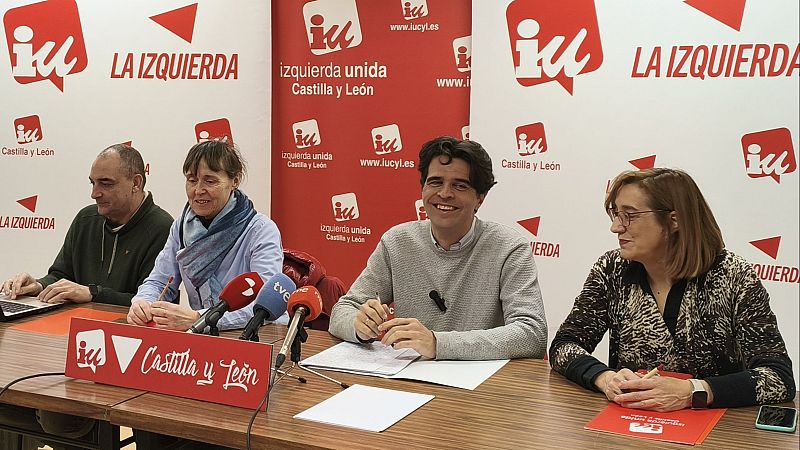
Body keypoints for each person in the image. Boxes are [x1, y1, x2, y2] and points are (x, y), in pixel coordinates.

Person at [549, 168, 796, 411]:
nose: (616, 227)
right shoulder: (612, 269)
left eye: (630, 215)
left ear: (674, 220)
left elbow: (778, 377)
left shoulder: (733, 275)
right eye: (615, 214)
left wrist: (694, 391)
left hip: (717, 431)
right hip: (632, 424)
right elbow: (563, 346)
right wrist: (604, 378)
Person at [0, 144, 173, 449]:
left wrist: (93, 293)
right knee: (10, 395)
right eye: (92, 183)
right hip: (65, 346)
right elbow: (60, 273)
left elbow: (155, 306)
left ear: (136, 183)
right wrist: (37, 285)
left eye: (105, 184)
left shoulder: (163, 228)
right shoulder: (85, 219)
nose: (94, 193)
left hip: (122, 354)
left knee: (56, 417)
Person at [328, 136, 547, 360]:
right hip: (409, 379)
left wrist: (437, 343)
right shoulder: (397, 242)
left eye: (460, 185)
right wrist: (359, 325)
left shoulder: (509, 248)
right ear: (423, 189)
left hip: (482, 388)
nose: (444, 193)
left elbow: (532, 333)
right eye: (435, 182)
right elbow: (342, 311)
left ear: (480, 198)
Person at [127, 139, 283, 331]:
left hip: (257, 334)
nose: (198, 190)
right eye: (192, 180)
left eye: (210, 181)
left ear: (235, 180)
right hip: (203, 334)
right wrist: (142, 303)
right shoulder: (182, 227)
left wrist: (200, 318)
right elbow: (159, 281)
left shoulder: (261, 230)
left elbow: (264, 306)